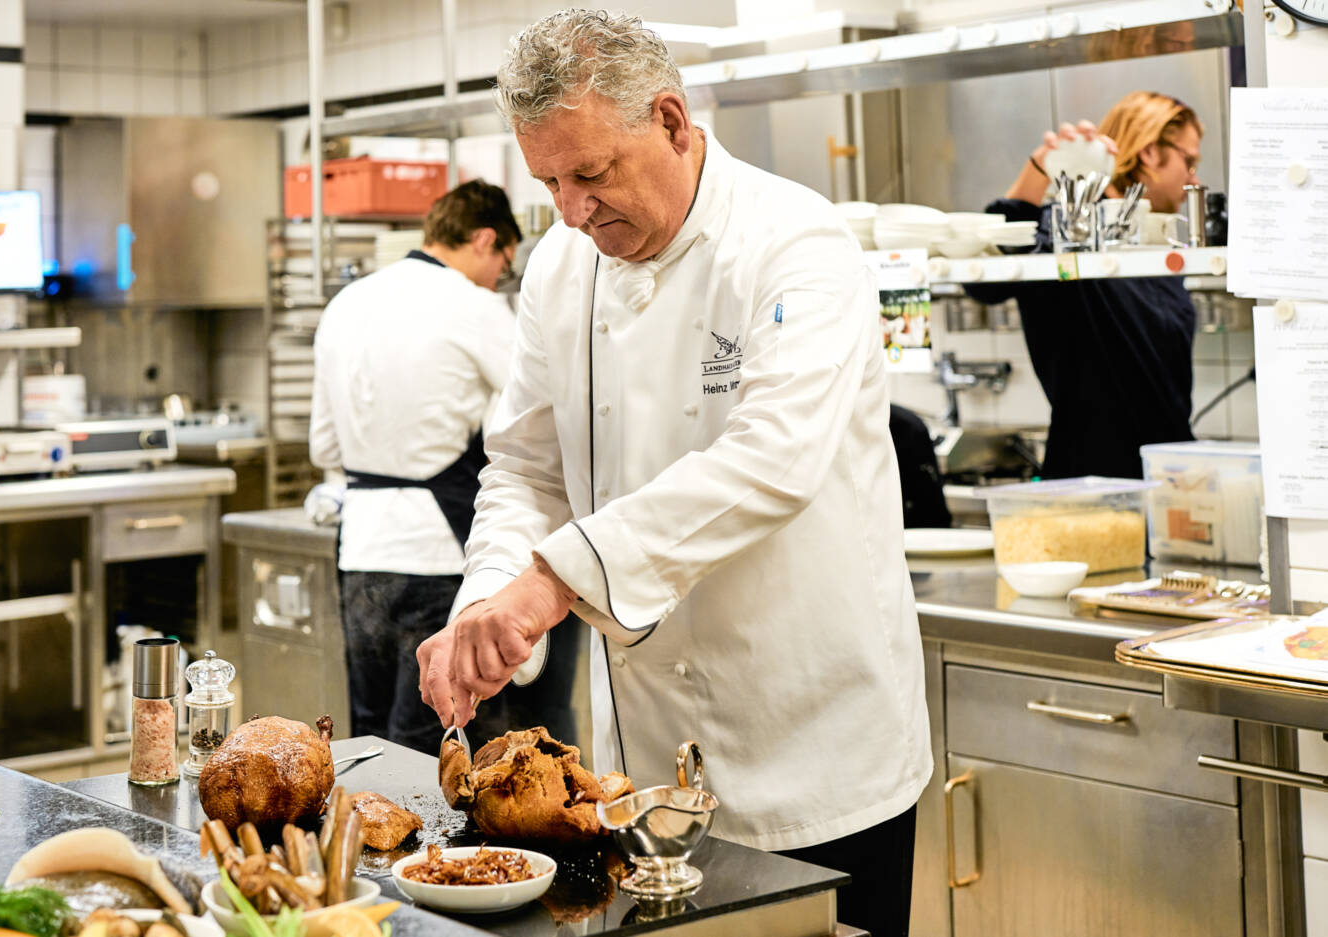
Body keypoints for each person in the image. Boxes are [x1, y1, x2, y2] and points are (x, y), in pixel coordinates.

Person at [414, 12, 931, 936]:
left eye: (591, 173)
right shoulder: (560, 270)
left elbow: (774, 458)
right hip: (642, 774)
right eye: (549, 182)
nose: (571, 211)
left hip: (816, 756)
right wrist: (489, 599)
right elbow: (526, 465)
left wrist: (554, 580)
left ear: (670, 119)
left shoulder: (795, 243)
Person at [309, 179, 527, 756]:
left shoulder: (345, 304)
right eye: (504, 263)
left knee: (369, 739)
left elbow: (324, 447)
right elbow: (535, 411)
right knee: (439, 742)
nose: (498, 278)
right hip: (441, 552)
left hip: (361, 552)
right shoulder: (475, 306)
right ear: (485, 240)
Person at [967, 92, 1203, 479]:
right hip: (1089, 482)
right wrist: (1039, 169)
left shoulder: (1156, 242)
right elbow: (984, 282)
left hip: (1169, 476)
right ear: (1149, 152)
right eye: (1189, 162)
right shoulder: (1070, 232)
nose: (1194, 178)